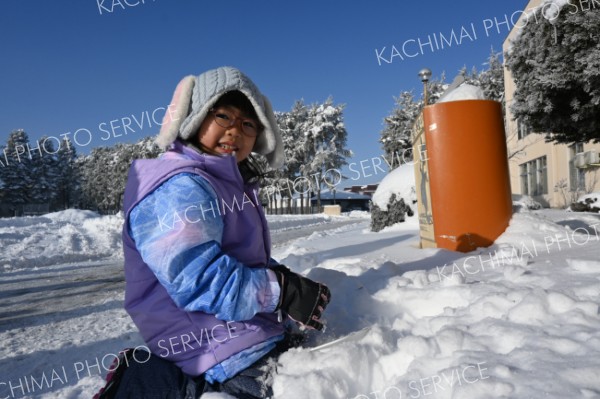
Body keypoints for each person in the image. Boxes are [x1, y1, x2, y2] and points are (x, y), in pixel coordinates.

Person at [110, 66, 332, 398]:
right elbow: (198, 279)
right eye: (223, 116)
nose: (234, 132)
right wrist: (282, 291)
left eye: (247, 124)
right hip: (210, 348)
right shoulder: (180, 187)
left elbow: (236, 254)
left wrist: (276, 274)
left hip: (240, 335)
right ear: (195, 117)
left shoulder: (226, 183)